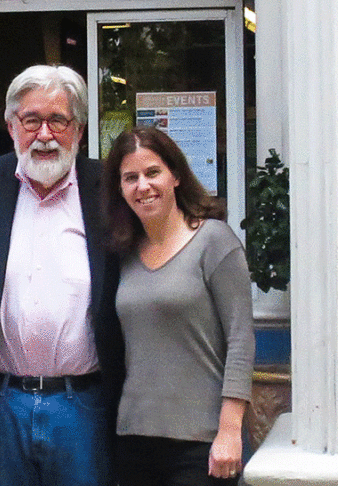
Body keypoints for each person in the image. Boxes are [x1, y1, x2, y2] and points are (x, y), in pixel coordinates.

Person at [0, 64, 124, 486]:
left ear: (79, 130)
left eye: (58, 120)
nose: (44, 135)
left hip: (83, 406)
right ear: (12, 126)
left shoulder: (109, 190)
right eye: (31, 121)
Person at [103, 126, 255, 486]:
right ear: (120, 189)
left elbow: (241, 340)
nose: (143, 185)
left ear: (176, 176)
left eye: (153, 172)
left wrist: (230, 431)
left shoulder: (214, 241)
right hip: (134, 439)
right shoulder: (122, 255)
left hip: (200, 443)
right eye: (130, 177)